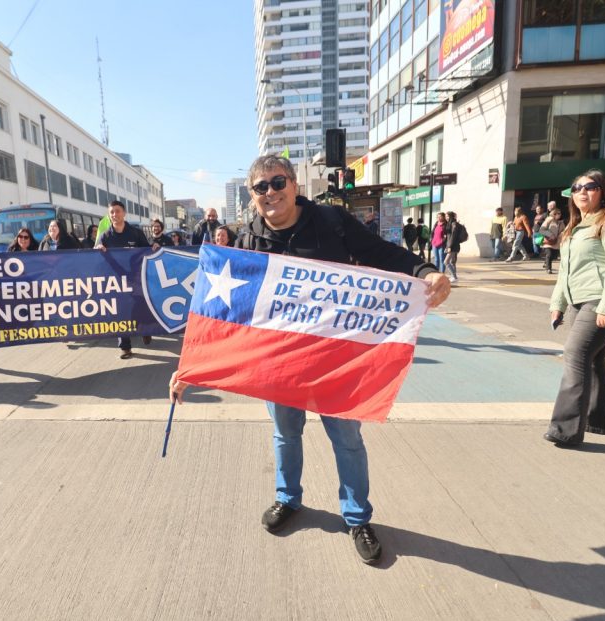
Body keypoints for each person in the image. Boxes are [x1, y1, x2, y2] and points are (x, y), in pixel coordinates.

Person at [168, 154, 451, 566]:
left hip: (334, 361)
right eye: (260, 187)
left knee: (347, 440)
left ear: (294, 185)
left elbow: (379, 252)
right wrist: (191, 368)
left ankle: (356, 517)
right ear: (251, 195)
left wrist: (425, 271)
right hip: (278, 365)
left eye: (277, 182)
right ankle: (288, 499)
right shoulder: (247, 242)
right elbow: (220, 318)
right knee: (285, 434)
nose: (270, 193)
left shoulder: (331, 221)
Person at [545, 171, 605, 447]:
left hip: (602, 299)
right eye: (576, 187)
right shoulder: (576, 225)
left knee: (575, 354)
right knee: (593, 359)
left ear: (603, 191)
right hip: (579, 300)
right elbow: (565, 271)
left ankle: (566, 429)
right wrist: (558, 304)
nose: (582, 192)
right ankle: (597, 420)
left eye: (590, 187)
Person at [97, 200, 155, 358]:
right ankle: (125, 347)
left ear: (124, 213)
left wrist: (154, 248)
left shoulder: (136, 233)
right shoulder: (105, 236)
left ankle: (145, 330)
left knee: (140, 308)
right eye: (111, 212)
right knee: (121, 312)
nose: (114, 214)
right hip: (116, 280)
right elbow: (96, 256)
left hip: (136, 277)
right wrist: (98, 249)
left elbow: (146, 251)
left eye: (117, 211)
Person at [539, 207, 564, 274]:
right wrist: (550, 235)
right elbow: (542, 230)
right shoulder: (549, 220)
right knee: (549, 254)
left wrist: (562, 234)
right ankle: (548, 269)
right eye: (558, 213)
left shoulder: (561, 222)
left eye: (560, 213)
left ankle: (546, 262)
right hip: (548, 241)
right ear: (554, 214)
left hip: (556, 242)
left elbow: (563, 231)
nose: (559, 215)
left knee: (554, 255)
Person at [443, 211, 464, 283]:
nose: (446, 218)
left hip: (453, 246)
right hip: (452, 246)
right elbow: (449, 236)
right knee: (452, 262)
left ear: (451, 216)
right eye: (446, 216)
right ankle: (454, 277)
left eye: (447, 216)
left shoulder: (454, 224)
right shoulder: (450, 224)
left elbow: (453, 236)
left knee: (446, 262)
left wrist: (449, 246)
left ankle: (454, 277)